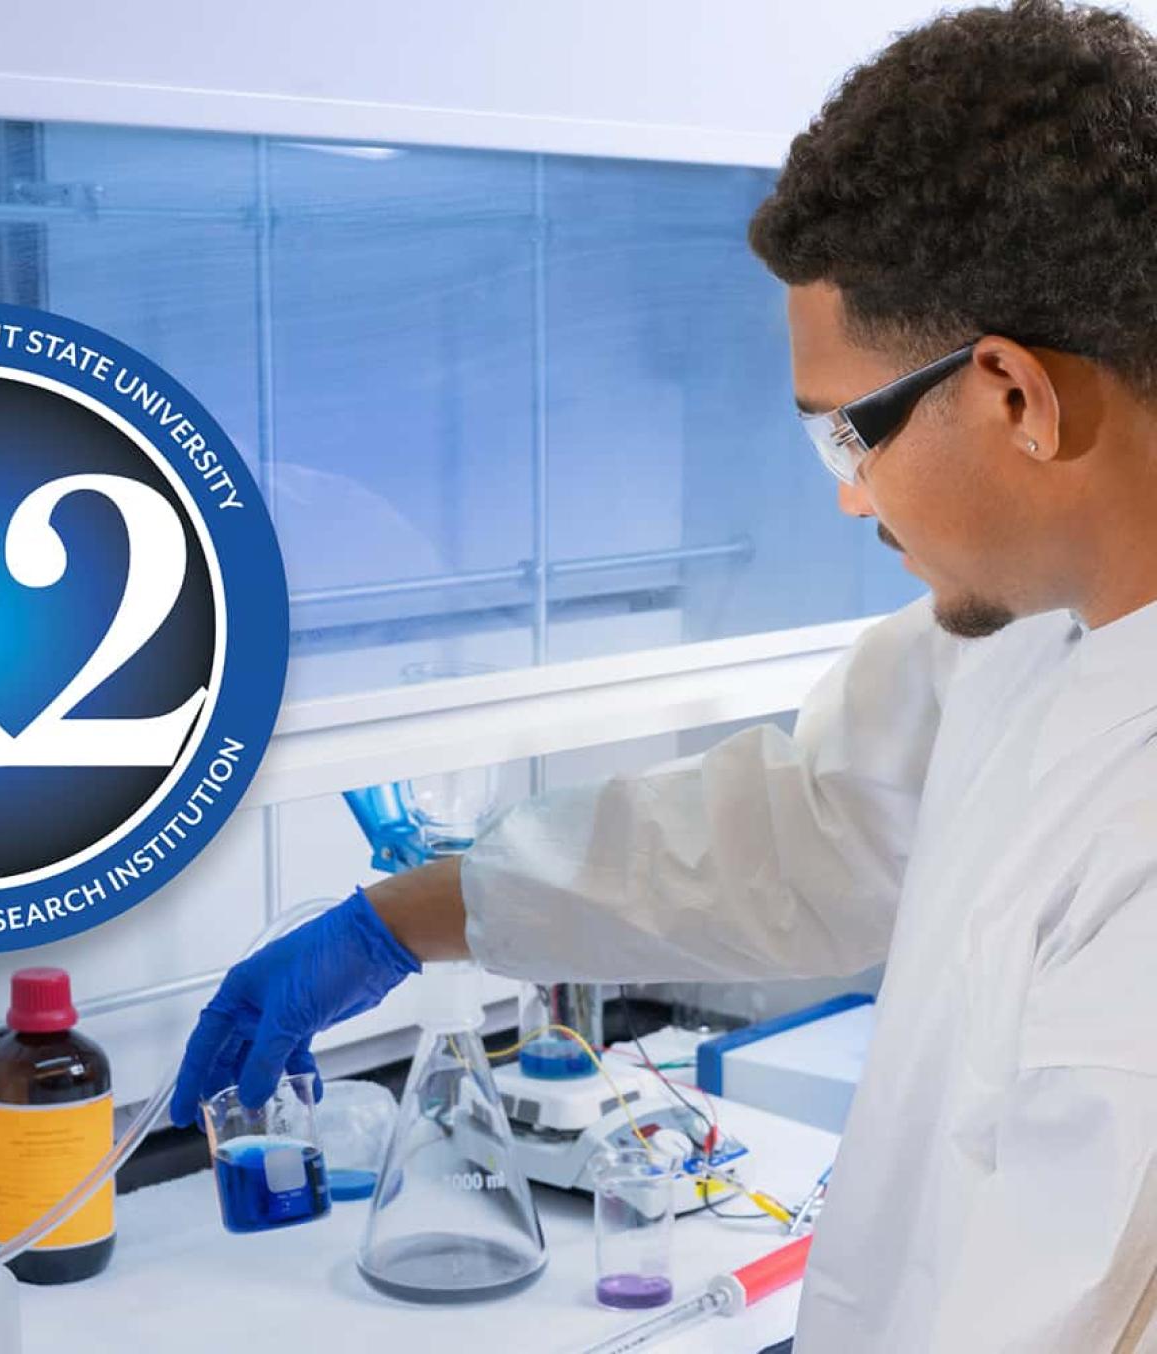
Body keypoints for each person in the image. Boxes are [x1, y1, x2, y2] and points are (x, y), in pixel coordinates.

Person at [175, 2, 1157, 1347]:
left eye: (847, 437)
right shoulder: (1035, 630)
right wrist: (405, 917)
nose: (851, 500)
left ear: (1014, 397)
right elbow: (807, 832)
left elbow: (1059, 1303)